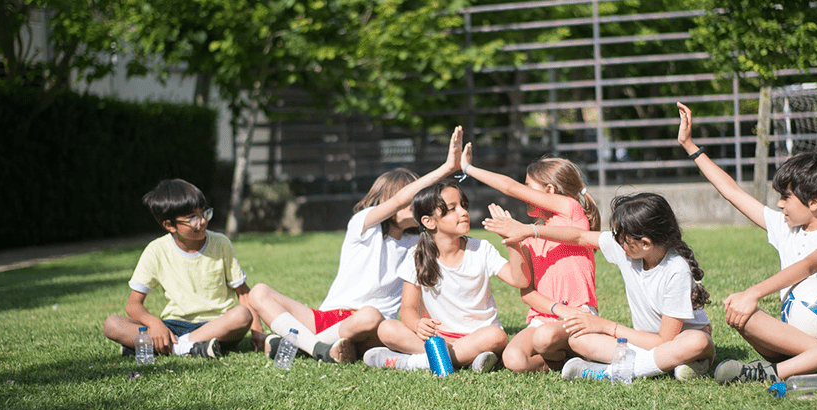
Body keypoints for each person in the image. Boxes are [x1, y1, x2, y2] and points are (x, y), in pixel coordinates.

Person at [675, 102, 817, 384]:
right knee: (740, 312)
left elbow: (808, 265)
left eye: (786, 197)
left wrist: (753, 292)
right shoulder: (784, 226)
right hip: (792, 336)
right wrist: (689, 145)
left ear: (814, 202)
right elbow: (731, 191)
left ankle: (779, 372)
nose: (779, 205)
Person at [248, 127, 464, 363]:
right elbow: (399, 200)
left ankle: (301, 344)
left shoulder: (418, 245)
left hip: (371, 327)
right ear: (388, 200)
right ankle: (318, 348)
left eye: (418, 198)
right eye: (408, 197)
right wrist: (446, 168)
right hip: (327, 318)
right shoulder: (363, 225)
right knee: (259, 292)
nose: (412, 203)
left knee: (370, 316)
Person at [483, 193, 715, 381]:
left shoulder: (676, 270)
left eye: (622, 238)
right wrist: (530, 230)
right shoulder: (629, 251)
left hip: (675, 343)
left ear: (645, 243)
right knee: (577, 339)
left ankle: (611, 372)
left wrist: (606, 326)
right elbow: (580, 237)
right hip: (642, 343)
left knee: (697, 341)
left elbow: (664, 341)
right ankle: (669, 367)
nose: (616, 242)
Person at [458, 147, 600, 373]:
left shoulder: (570, 210)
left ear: (549, 190)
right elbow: (527, 290)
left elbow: (509, 187)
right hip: (546, 317)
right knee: (513, 359)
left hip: (579, 313)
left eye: (528, 187)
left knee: (544, 339)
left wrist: (467, 168)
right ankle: (565, 361)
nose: (523, 193)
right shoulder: (529, 236)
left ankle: (579, 349)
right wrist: (512, 240)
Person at [364, 180, 530, 372]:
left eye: (463, 206)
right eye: (452, 209)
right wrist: (417, 324)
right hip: (439, 337)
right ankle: (465, 358)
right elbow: (408, 308)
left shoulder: (481, 249)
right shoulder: (416, 256)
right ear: (429, 221)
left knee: (497, 336)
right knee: (387, 328)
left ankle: (418, 362)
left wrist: (512, 242)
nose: (463, 212)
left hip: (478, 335)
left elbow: (519, 280)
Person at [103, 179, 264, 359]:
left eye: (203, 213)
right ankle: (192, 348)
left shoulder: (221, 243)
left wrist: (257, 329)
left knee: (242, 315)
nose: (202, 221)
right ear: (169, 225)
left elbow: (242, 293)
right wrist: (155, 323)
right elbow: (133, 304)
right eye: (192, 218)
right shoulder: (156, 250)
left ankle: (167, 347)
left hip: (218, 326)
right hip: (174, 325)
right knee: (112, 324)